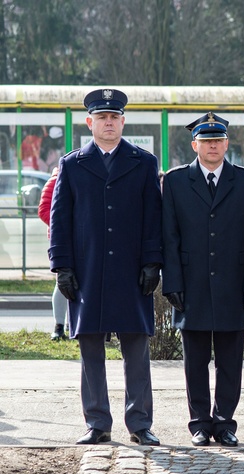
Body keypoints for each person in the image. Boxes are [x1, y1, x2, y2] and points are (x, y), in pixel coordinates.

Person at [49, 88, 163, 446]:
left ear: (123, 122)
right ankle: (97, 423)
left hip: (131, 271)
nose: (109, 123)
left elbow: (153, 218)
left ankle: (140, 423)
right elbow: (60, 219)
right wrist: (62, 266)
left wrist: (152, 262)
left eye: (114, 117)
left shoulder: (143, 162)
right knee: (90, 350)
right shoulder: (72, 164)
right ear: (90, 123)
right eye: (102, 118)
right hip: (88, 270)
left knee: (136, 349)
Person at [161, 112, 244, 447]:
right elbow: (169, 237)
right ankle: (200, 424)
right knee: (195, 362)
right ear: (195, 145)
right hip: (192, 285)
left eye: (218, 140)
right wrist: (172, 282)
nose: (213, 146)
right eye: (206, 141)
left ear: (227, 143)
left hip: (233, 284)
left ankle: (225, 423)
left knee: (231, 361)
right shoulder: (175, 182)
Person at [38, 166, 67, 341]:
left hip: (83, 238)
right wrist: (63, 225)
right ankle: (59, 325)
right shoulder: (55, 179)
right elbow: (43, 211)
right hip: (61, 239)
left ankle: (76, 325)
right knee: (62, 280)